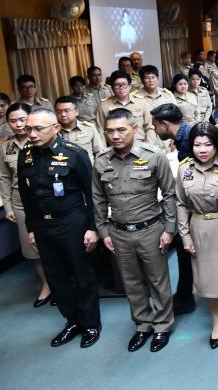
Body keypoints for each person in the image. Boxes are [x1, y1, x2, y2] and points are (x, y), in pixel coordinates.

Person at [93, 108, 176, 352]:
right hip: (118, 232)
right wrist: (103, 232)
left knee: (158, 280)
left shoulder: (154, 156)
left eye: (121, 130)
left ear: (134, 128)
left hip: (150, 229)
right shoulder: (102, 160)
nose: (115, 136)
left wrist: (169, 229)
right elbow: (98, 199)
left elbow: (170, 194)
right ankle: (142, 324)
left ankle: (162, 325)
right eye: (110, 131)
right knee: (131, 282)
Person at [17, 108, 101, 348]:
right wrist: (31, 228)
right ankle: (72, 321)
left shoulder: (75, 154)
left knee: (81, 275)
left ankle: (91, 323)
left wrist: (92, 227)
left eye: (38, 128)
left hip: (71, 223)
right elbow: (26, 196)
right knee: (57, 278)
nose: (32, 134)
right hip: (42, 226)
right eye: (28, 129)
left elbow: (92, 194)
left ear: (55, 128)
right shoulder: (25, 155)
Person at [176, 123, 218, 349]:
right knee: (206, 280)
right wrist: (185, 237)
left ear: (217, 146)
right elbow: (180, 204)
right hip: (198, 228)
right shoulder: (184, 169)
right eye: (197, 145)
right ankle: (216, 322)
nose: (202, 149)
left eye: (208, 144)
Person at [0, 103, 52, 306]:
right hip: (20, 201)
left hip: (47, 198)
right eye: (13, 121)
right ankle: (46, 285)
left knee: (55, 242)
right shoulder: (5, 146)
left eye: (23, 119)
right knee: (32, 247)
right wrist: (8, 207)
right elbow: (4, 177)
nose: (19, 124)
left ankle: (63, 283)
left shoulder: (42, 139)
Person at [148, 103, 195, 314]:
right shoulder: (183, 137)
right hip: (193, 200)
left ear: (165, 124)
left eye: (155, 126)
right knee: (184, 248)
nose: (154, 130)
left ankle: (185, 298)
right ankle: (185, 296)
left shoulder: (190, 139)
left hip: (201, 205)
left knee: (185, 247)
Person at [97, 71, 158, 145]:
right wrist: (105, 150)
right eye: (117, 85)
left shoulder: (141, 102)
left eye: (124, 84)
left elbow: (150, 126)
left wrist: (148, 146)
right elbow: (100, 131)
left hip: (140, 144)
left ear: (130, 86)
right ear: (112, 88)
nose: (121, 87)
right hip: (116, 146)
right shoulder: (104, 106)